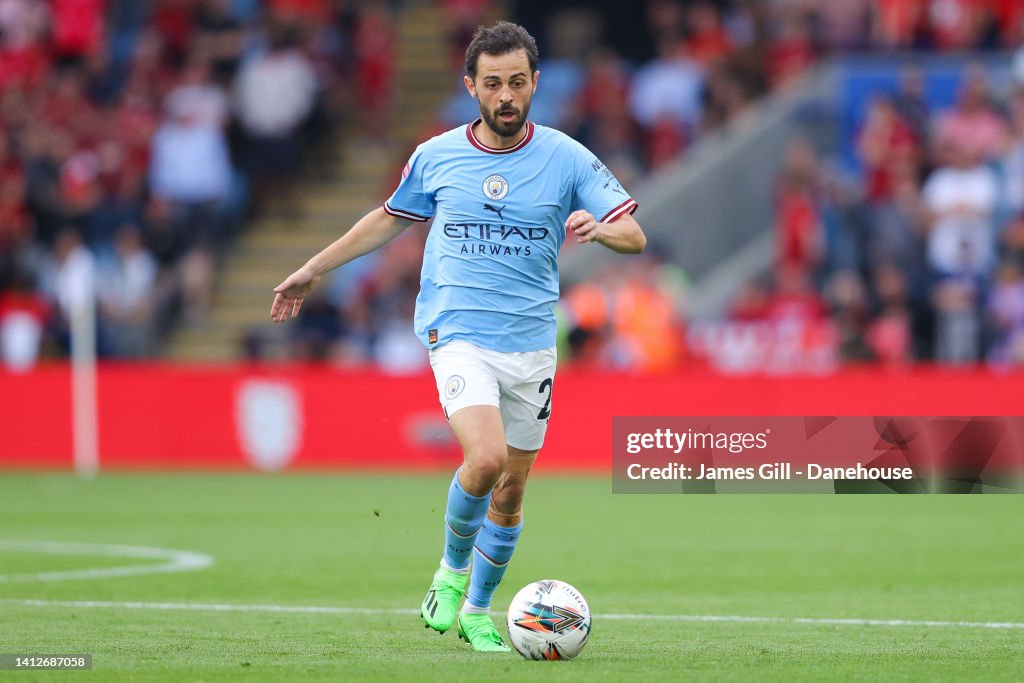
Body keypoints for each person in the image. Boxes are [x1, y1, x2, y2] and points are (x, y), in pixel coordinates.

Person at [270, 20, 646, 653]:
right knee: (487, 457)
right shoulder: (437, 155)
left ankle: (478, 609)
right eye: (493, 83)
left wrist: (599, 229)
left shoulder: (567, 156)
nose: (506, 95)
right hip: (459, 331)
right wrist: (313, 268)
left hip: (531, 344)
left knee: (513, 489)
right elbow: (387, 221)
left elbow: (634, 235)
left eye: (518, 82)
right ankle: (449, 572)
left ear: (534, 85)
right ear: (470, 85)